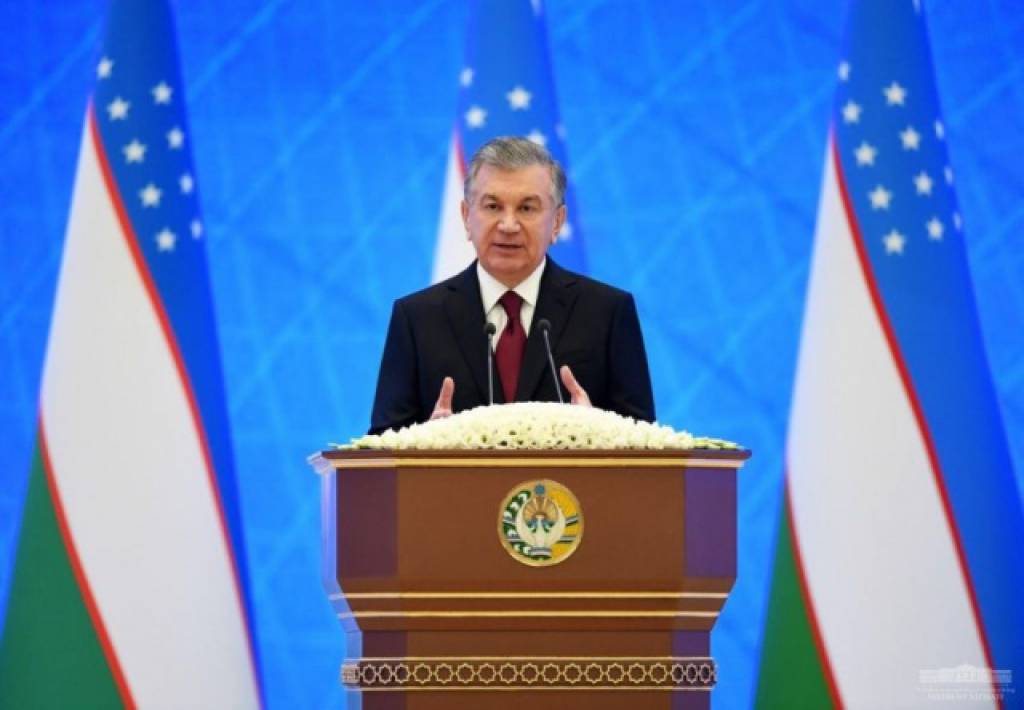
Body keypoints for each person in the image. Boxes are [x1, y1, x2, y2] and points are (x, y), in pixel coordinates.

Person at [369, 136, 654, 434]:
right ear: (466, 217)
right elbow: (381, 446)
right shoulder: (417, 318)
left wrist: (601, 433)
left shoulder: (607, 312)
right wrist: (423, 443)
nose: (508, 225)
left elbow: (647, 443)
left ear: (557, 222)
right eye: (493, 206)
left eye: (527, 208)